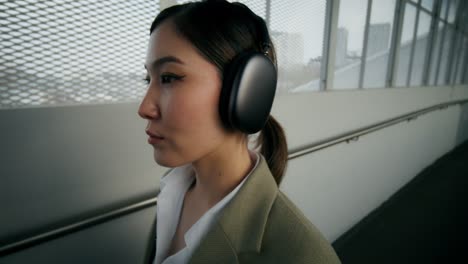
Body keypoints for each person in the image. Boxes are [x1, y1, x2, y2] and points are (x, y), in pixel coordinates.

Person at [138, 1, 341, 263]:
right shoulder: (173, 192)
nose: (144, 108)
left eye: (169, 77)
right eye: (148, 80)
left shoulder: (306, 256)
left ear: (247, 89)